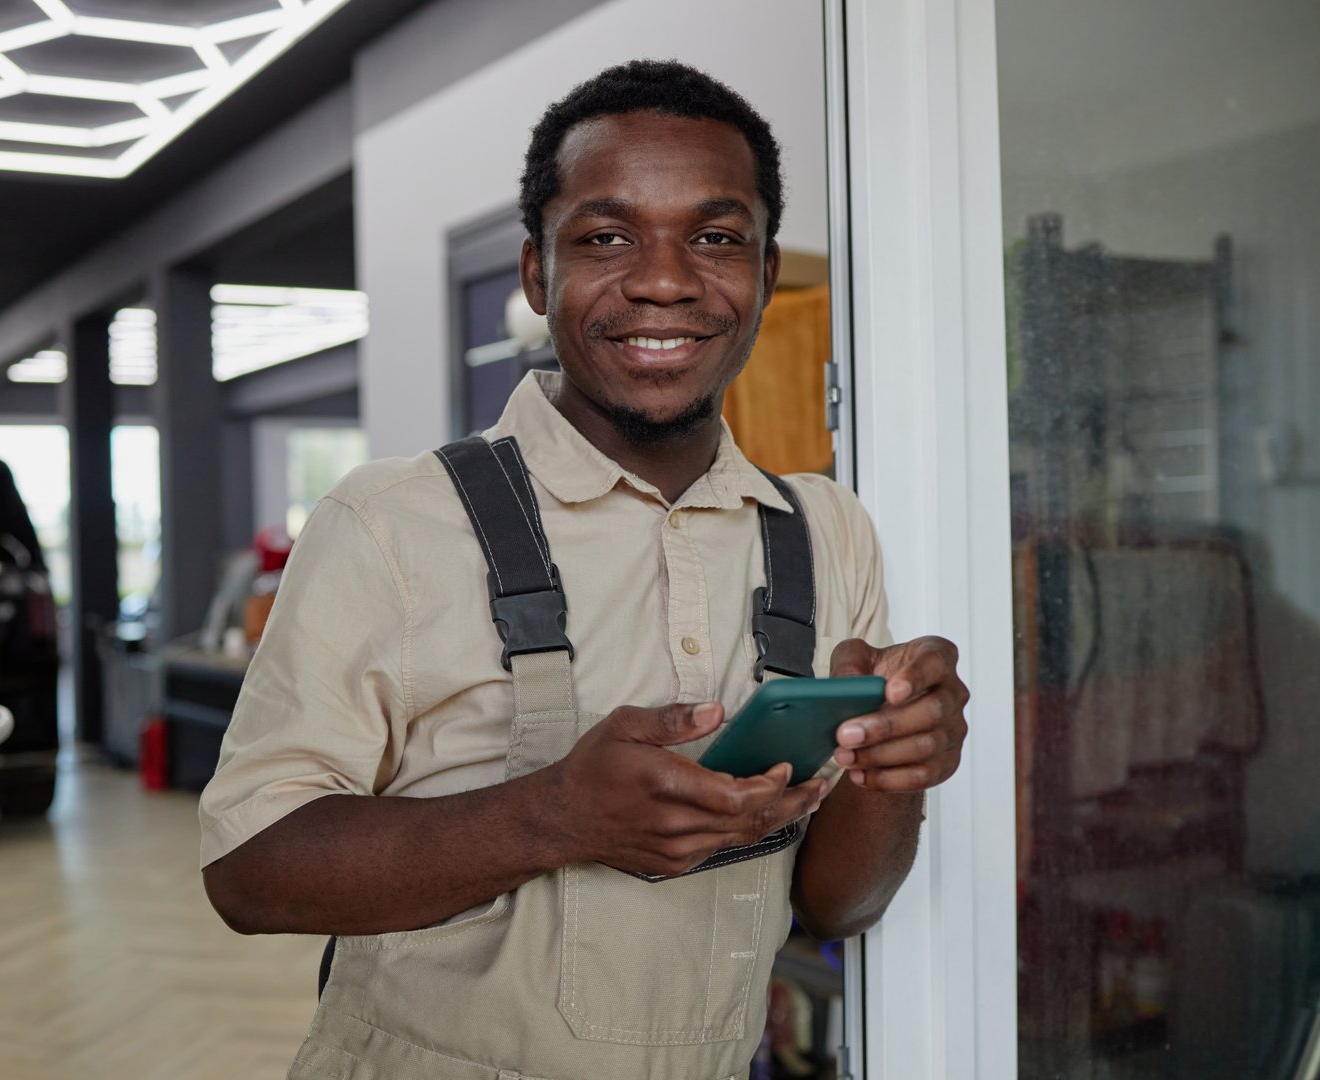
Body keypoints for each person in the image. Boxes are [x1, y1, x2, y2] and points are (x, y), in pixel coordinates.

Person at [200, 59, 969, 1080]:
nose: (663, 278)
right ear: (536, 275)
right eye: (607, 237)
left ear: (765, 270)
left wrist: (896, 771)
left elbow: (840, 904)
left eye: (716, 237)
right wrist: (552, 815)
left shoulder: (826, 530)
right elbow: (249, 876)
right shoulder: (391, 520)